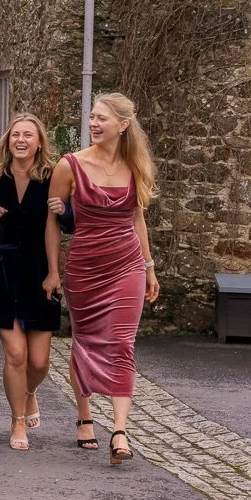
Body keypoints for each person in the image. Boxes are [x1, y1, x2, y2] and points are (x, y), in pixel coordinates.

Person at [44, 92, 159, 464]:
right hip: (85, 266)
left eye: (101, 119)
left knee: (122, 342)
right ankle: (84, 414)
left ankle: (121, 431)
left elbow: (137, 218)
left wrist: (148, 265)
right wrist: (52, 271)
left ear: (122, 126)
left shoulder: (134, 164)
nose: (93, 124)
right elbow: (53, 223)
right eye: (91, 118)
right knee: (87, 340)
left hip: (126, 264)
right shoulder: (69, 165)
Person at [0, 114, 61, 451]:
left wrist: (54, 272)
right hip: (1, 270)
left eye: (28, 135)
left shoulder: (52, 178)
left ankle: (29, 391)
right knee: (16, 354)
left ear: (40, 143)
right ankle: (17, 420)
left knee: (38, 362)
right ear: (7, 141)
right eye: (15, 135)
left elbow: (61, 224)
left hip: (40, 270)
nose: (21, 140)